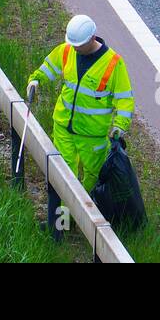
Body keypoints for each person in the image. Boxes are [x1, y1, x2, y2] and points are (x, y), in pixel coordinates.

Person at [27, 14, 134, 191]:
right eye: (73, 44)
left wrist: (120, 125)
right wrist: (36, 80)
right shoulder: (67, 50)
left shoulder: (113, 63)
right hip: (63, 126)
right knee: (64, 172)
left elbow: (124, 99)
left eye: (79, 45)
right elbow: (48, 68)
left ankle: (87, 209)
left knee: (94, 174)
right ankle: (65, 214)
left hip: (92, 134)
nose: (75, 48)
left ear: (92, 38)